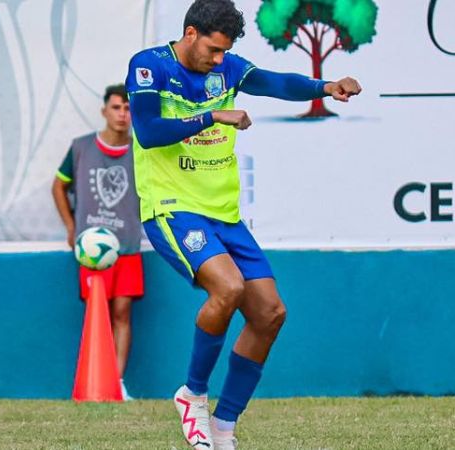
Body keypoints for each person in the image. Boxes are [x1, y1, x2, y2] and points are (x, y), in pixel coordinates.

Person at [126, 0, 361, 447]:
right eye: (213, 50)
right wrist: (213, 114)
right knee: (228, 288)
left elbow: (275, 82)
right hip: (173, 207)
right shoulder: (149, 66)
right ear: (190, 33)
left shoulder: (228, 68)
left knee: (271, 314)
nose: (219, 60)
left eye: (224, 53)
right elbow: (149, 131)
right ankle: (192, 394)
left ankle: (224, 425)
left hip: (224, 214)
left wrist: (325, 86)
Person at [51, 84, 144, 401]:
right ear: (105, 110)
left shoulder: (142, 152)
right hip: (91, 250)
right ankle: (94, 380)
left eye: (129, 108)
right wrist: (70, 226)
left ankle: (115, 384)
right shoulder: (81, 148)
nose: (122, 114)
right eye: (117, 107)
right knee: (97, 314)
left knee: (122, 313)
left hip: (128, 247)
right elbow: (58, 186)